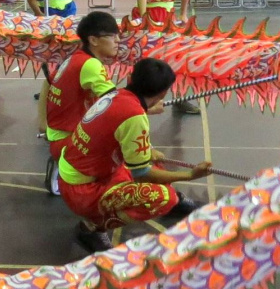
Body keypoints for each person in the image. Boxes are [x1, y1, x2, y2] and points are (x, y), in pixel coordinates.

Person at [58, 58, 211, 253]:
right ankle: (92, 229)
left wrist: (147, 153)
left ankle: (175, 200)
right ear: (163, 93)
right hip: (83, 189)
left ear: (130, 78)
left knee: (153, 162)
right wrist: (189, 175)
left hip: (86, 170)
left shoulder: (116, 94)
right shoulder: (134, 116)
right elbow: (142, 173)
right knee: (163, 198)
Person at [42, 12, 120, 194]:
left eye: (117, 35)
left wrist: (43, 124)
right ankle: (71, 175)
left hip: (58, 135)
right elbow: (117, 104)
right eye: (111, 36)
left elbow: (48, 83)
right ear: (93, 40)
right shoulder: (91, 65)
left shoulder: (74, 57)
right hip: (69, 141)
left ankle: (63, 163)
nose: (117, 41)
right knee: (120, 146)